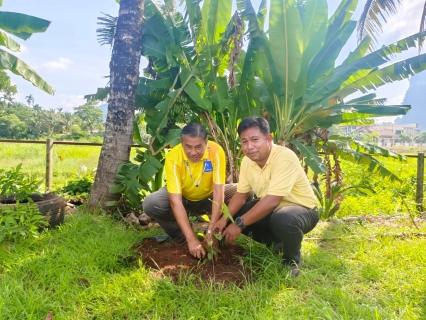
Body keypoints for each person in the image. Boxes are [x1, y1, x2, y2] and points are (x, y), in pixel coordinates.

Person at [213, 116, 319, 276]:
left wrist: (238, 225)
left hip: (302, 211)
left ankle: (292, 260)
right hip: (273, 209)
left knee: (283, 219)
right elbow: (241, 195)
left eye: (255, 140)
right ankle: (278, 243)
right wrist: (224, 220)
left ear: (269, 139)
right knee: (234, 213)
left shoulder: (284, 157)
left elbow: (272, 201)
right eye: (244, 142)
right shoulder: (247, 161)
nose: (249, 147)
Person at [143, 122, 230, 260]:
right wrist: (191, 239)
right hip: (182, 196)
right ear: (181, 143)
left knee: (243, 193)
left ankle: (219, 234)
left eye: (198, 147)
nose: (193, 152)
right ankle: (182, 235)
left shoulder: (216, 151)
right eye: (188, 147)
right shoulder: (173, 157)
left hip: (209, 195)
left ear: (206, 142)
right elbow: (175, 200)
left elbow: (219, 193)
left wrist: (211, 230)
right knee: (151, 203)